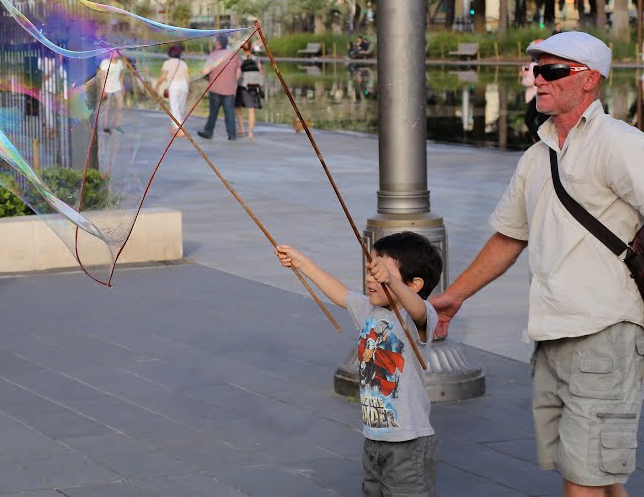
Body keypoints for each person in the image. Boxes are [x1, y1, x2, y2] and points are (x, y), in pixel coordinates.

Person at [431, 31, 644, 496]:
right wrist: (453, 297)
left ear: (589, 80)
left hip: (604, 331)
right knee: (596, 475)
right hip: (552, 333)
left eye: (552, 71)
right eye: (535, 70)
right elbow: (509, 236)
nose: (538, 80)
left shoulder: (618, 143)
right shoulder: (537, 156)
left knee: (583, 481)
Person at [275, 232, 442, 495]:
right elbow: (341, 293)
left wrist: (392, 283)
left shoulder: (417, 317)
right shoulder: (370, 310)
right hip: (374, 438)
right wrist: (300, 263)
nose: (370, 279)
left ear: (414, 284)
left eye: (381, 273)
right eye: (371, 270)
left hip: (408, 441)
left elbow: (418, 308)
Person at [197, 35, 241, 140]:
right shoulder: (233, 55)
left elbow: (205, 71)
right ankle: (232, 135)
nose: (215, 44)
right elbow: (239, 71)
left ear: (219, 43)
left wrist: (203, 75)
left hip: (215, 88)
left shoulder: (213, 55)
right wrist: (234, 82)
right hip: (229, 89)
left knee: (213, 113)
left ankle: (208, 132)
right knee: (229, 113)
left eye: (216, 42)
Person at [155, 44, 190, 137]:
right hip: (184, 86)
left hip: (174, 86)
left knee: (175, 109)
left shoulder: (167, 63)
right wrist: (188, 89)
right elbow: (187, 78)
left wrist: (157, 86)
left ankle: (180, 130)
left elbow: (163, 77)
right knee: (181, 109)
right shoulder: (183, 63)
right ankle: (177, 128)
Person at [235, 45, 263, 140]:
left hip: (243, 86)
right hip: (254, 87)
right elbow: (261, 72)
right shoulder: (256, 59)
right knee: (251, 110)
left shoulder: (240, 59)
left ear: (242, 49)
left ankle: (241, 129)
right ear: (251, 48)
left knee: (238, 108)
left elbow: (237, 72)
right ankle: (250, 133)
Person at [97, 50, 124, 134]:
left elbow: (121, 76)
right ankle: (105, 126)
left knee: (120, 106)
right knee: (107, 108)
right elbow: (102, 77)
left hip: (117, 87)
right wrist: (102, 89)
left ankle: (117, 124)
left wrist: (122, 87)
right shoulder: (105, 63)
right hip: (108, 88)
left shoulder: (120, 63)